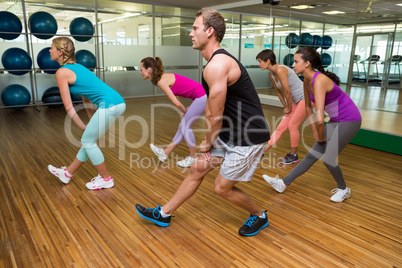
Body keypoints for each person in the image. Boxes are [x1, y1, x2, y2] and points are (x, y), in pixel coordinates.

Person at [135, 8, 271, 236]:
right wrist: (210, 140)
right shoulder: (213, 64)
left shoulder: (218, 65)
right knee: (197, 170)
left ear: (209, 31)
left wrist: (207, 142)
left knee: (221, 188)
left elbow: (215, 117)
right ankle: (164, 214)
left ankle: (259, 216)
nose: (191, 33)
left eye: (195, 28)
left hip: (248, 137)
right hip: (229, 133)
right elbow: (211, 106)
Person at [263, 46, 362, 202]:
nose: (293, 65)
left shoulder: (319, 81)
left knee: (328, 158)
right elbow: (309, 107)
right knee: (312, 155)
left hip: (350, 118)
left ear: (307, 63)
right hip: (336, 119)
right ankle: (283, 183)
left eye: (296, 61)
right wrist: (316, 131)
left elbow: (320, 115)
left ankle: (344, 189)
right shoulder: (306, 82)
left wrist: (319, 133)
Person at [47, 37, 126, 190]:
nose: (49, 51)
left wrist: (82, 126)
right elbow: (86, 96)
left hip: (110, 104)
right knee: (89, 141)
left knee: (87, 141)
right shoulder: (78, 67)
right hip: (117, 102)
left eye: (52, 48)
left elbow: (69, 106)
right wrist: (90, 119)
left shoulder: (62, 72)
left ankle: (106, 179)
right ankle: (67, 173)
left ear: (60, 52)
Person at [140, 57, 207, 167]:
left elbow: (176, 103)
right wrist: (183, 111)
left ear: (148, 70)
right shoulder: (163, 77)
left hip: (202, 97)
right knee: (183, 126)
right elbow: (175, 94)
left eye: (141, 69)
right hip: (201, 96)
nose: (140, 72)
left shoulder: (161, 81)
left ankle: (193, 157)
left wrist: (184, 110)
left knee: (185, 125)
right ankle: (164, 153)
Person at [256, 49, 306, 164]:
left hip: (305, 97)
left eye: (260, 61)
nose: (259, 64)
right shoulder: (271, 74)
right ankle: (263, 152)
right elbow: (279, 92)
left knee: (292, 125)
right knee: (280, 127)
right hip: (294, 101)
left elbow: (287, 92)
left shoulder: (281, 70)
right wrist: (285, 107)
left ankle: (294, 155)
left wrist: (289, 107)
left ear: (268, 61)